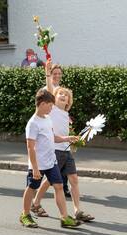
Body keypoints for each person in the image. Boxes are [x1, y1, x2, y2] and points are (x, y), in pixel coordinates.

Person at [30, 61, 95, 222]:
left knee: (73, 179)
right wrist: (47, 73)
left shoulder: (65, 113)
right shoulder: (52, 109)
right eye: (60, 94)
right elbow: (51, 90)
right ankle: (35, 202)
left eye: (66, 96)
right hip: (54, 149)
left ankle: (77, 210)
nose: (63, 96)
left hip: (66, 150)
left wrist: (72, 138)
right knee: (49, 181)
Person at [19, 89, 80, 229]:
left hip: (51, 161)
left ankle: (64, 218)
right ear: (42, 104)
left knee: (58, 186)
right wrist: (34, 168)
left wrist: (67, 138)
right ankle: (25, 214)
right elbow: (30, 147)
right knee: (31, 187)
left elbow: (53, 138)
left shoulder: (47, 119)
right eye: (50, 105)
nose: (52, 108)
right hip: (38, 164)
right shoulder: (33, 123)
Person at [44, 61, 71, 197]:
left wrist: (67, 117)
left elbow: (64, 107)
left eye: (59, 73)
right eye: (55, 73)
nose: (57, 75)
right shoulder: (47, 88)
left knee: (64, 156)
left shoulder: (61, 89)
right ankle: (38, 187)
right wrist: (47, 73)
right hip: (50, 127)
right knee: (55, 160)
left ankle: (63, 186)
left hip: (61, 127)